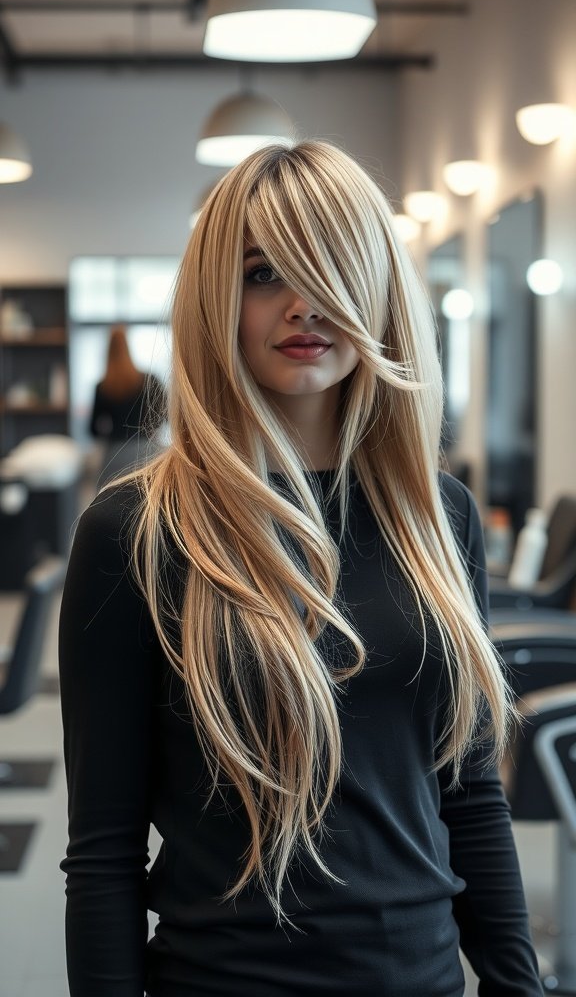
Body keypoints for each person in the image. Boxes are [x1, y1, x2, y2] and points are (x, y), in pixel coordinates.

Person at [59, 141, 543, 997]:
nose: (304, 303)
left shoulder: (439, 515)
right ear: (217, 301)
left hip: (423, 978)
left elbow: (468, 795)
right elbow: (104, 849)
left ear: (380, 292)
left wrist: (518, 983)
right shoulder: (136, 530)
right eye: (262, 273)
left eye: (331, 267)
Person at [89, 324, 166, 480]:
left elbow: (92, 429)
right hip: (147, 452)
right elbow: (165, 416)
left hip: (115, 455)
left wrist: (111, 430)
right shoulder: (149, 380)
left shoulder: (102, 387)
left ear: (108, 350)